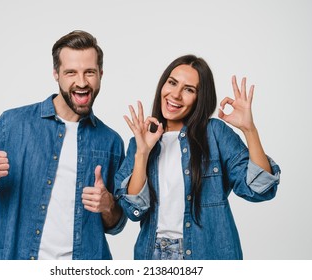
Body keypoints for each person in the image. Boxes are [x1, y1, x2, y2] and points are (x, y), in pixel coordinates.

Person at [0, 30, 126, 260]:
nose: (82, 82)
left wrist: (108, 205)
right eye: (71, 73)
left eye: (90, 72)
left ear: (101, 74)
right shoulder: (14, 124)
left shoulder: (111, 141)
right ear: (56, 74)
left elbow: (116, 224)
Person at [114, 54, 281, 260]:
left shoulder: (214, 133)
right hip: (153, 254)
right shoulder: (140, 142)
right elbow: (134, 210)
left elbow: (260, 189)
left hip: (208, 252)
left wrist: (249, 129)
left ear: (200, 98)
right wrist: (142, 153)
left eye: (189, 89)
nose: (175, 95)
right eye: (172, 83)